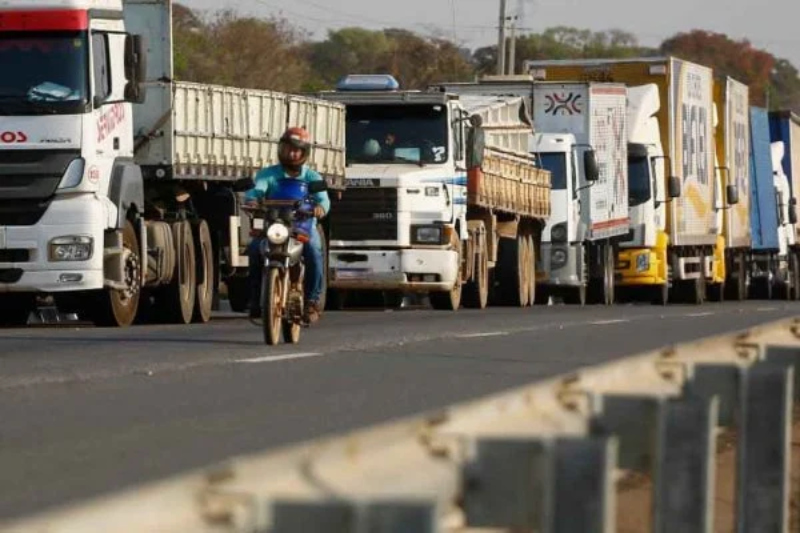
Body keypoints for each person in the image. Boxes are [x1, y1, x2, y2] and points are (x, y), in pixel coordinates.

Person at [244, 126, 330, 323]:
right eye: (287, 148)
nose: (291, 153)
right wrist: (252, 201)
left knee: (314, 252)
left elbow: (323, 200)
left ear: (304, 152)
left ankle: (311, 301)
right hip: (274, 224)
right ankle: (256, 299)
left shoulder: (312, 177)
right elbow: (256, 191)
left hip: (303, 225)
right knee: (255, 250)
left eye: (296, 150)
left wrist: (319, 208)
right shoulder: (268, 174)